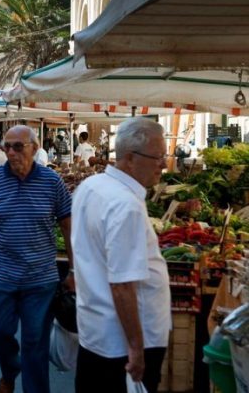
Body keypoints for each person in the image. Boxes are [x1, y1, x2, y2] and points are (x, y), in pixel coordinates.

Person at [0, 125, 73, 393]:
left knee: (35, 342)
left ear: (34, 148)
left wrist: (74, 271)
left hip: (40, 279)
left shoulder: (52, 181)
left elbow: (68, 225)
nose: (10, 152)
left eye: (17, 146)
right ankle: (10, 370)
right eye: (6, 146)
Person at [72, 118, 171, 393]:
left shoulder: (91, 188)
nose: (163, 164)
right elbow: (122, 285)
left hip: (97, 332)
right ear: (129, 158)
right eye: (158, 157)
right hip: (123, 343)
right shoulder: (124, 205)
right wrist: (136, 347)